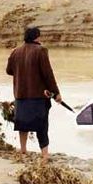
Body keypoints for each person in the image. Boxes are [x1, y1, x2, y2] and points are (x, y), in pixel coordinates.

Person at [6, 27, 62, 160]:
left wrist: (20, 69)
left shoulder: (16, 51)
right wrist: (56, 93)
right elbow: (48, 74)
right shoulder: (41, 50)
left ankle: (23, 151)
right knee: (42, 126)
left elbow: (9, 70)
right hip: (38, 96)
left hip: (20, 94)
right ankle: (44, 155)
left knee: (22, 123)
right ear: (37, 37)